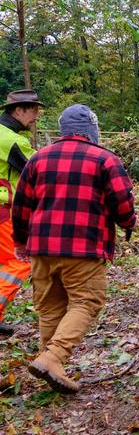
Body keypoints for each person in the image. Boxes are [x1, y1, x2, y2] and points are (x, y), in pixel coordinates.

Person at [12, 104, 136, 393]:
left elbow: (22, 205)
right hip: (84, 247)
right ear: (92, 130)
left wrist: (21, 241)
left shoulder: (38, 159)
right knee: (86, 302)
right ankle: (54, 358)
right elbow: (122, 203)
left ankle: (49, 365)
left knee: (50, 307)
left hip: (42, 247)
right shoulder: (105, 159)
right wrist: (130, 221)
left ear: (63, 130)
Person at [0, 89, 43, 336]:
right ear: (18, 111)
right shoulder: (11, 140)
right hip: (5, 211)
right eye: (33, 110)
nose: (36, 116)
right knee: (18, 262)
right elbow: (38, 170)